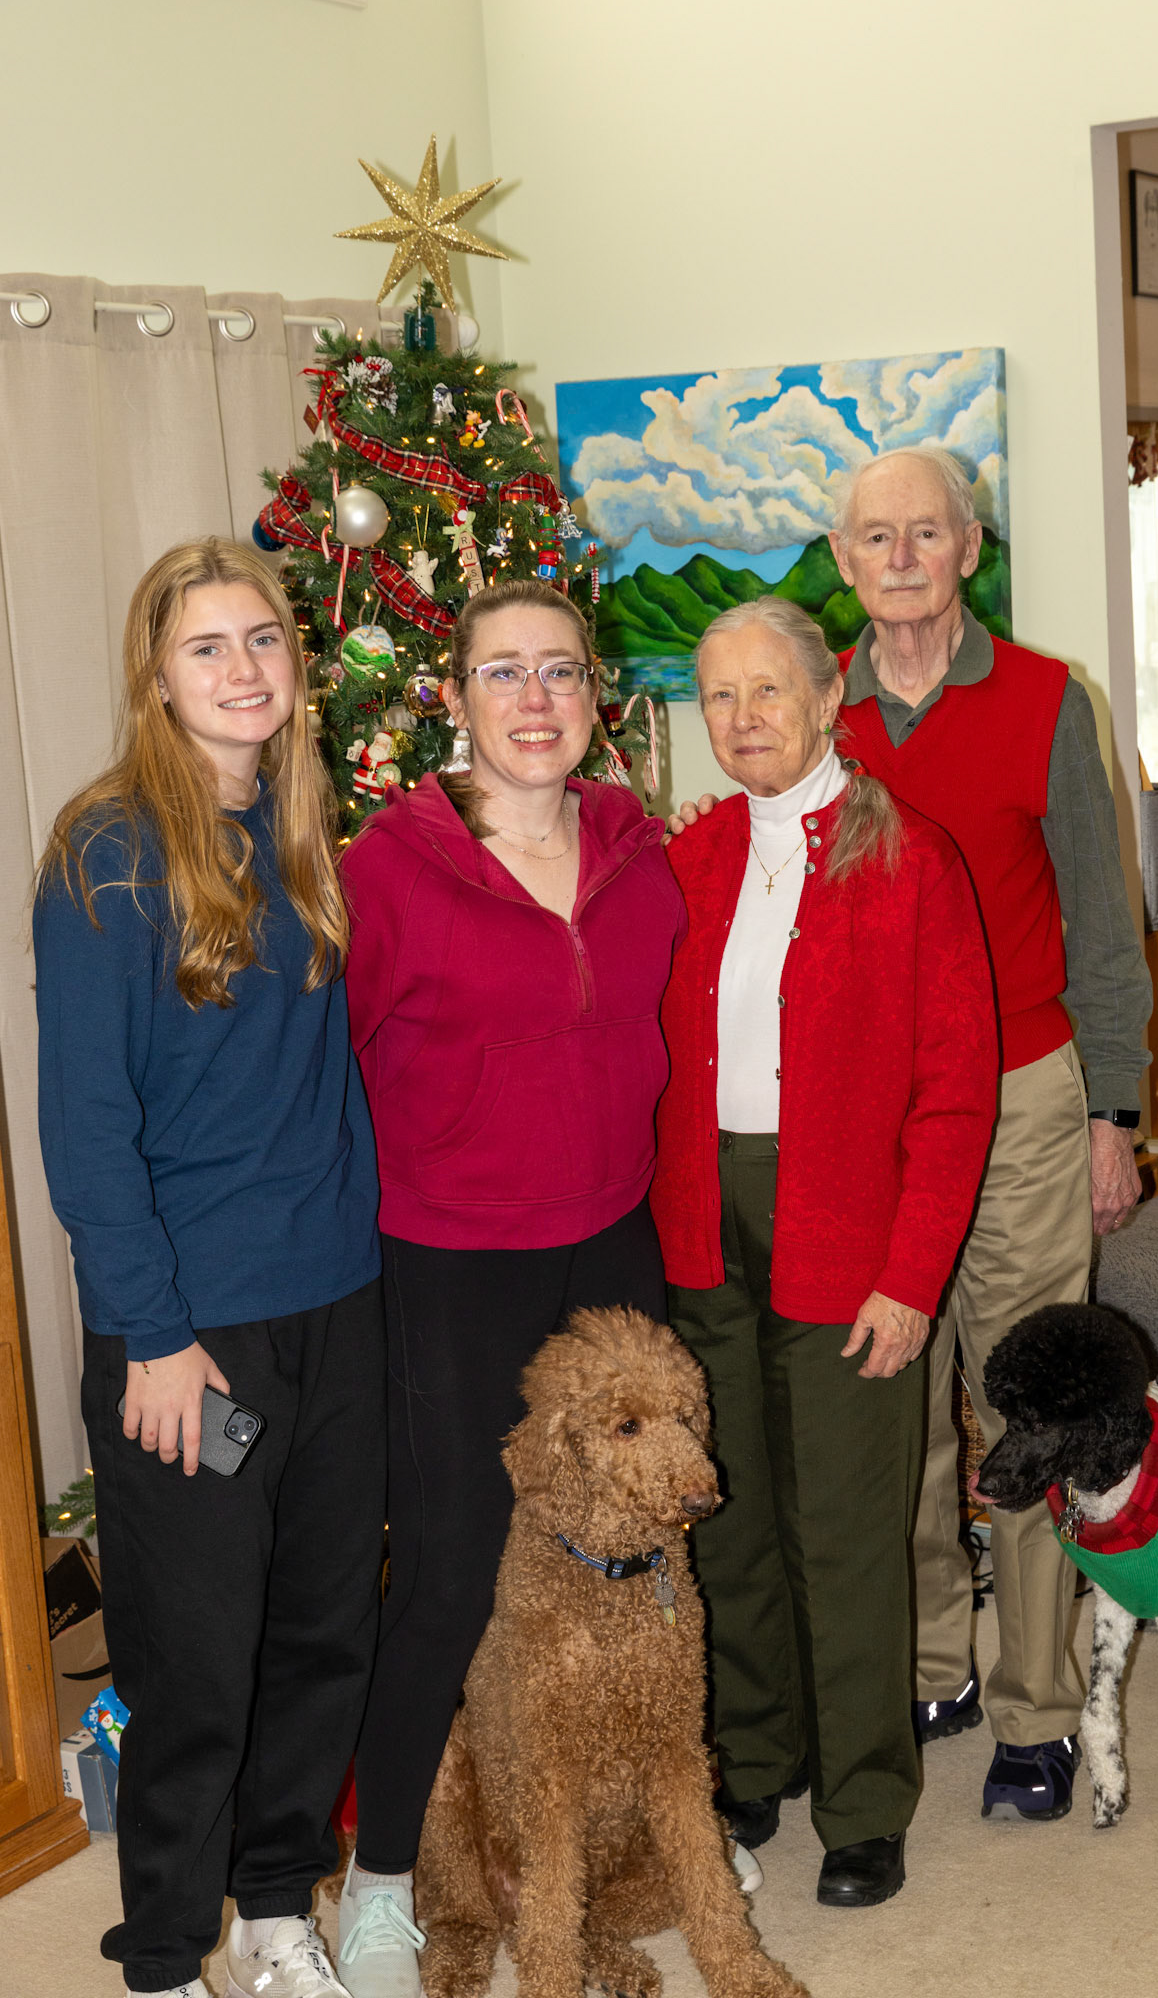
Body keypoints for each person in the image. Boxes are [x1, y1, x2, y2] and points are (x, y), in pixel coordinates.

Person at [33, 539, 385, 1998]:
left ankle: (277, 1910)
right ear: (157, 679)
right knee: (193, 1659)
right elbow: (87, 1131)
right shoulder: (107, 853)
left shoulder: (301, 833)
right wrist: (152, 1338)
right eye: (206, 648)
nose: (244, 670)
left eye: (264, 641)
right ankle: (168, 1954)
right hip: (191, 1334)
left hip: (338, 1305)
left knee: (322, 1632)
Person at [336, 579, 685, 1997]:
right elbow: (329, 1074)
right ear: (455, 697)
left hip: (611, 1240)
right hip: (453, 1254)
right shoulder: (389, 868)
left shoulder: (637, 851)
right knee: (452, 1568)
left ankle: (633, 1841)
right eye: (502, 673)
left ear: (595, 694)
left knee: (635, 1548)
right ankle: (379, 1884)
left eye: (558, 671)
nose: (534, 699)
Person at [650, 598, 997, 1909]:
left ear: (826, 694)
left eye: (767, 690)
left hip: (851, 1233)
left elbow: (955, 1093)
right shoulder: (687, 859)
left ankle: (862, 1800)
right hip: (703, 1227)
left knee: (847, 1530)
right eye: (719, 696)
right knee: (728, 1514)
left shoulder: (909, 857)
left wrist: (911, 1278)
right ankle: (757, 1755)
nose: (743, 718)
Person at [829, 448, 1153, 1822]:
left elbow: (1101, 918)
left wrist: (1111, 1113)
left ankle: (1037, 1707)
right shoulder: (814, 706)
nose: (901, 556)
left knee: (1026, 1404)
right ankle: (931, 1669)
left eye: (927, 532)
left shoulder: (1045, 699)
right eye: (875, 536)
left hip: (1022, 1094)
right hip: (874, 1113)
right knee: (893, 1403)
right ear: (843, 560)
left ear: (969, 548)